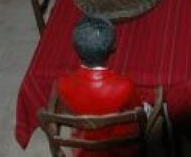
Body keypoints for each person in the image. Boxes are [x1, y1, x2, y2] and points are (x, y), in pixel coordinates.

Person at [57, 16, 142, 156]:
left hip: (83, 146)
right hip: (119, 147)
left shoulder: (62, 84)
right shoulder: (124, 86)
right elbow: (137, 110)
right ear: (113, 48)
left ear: (75, 48)